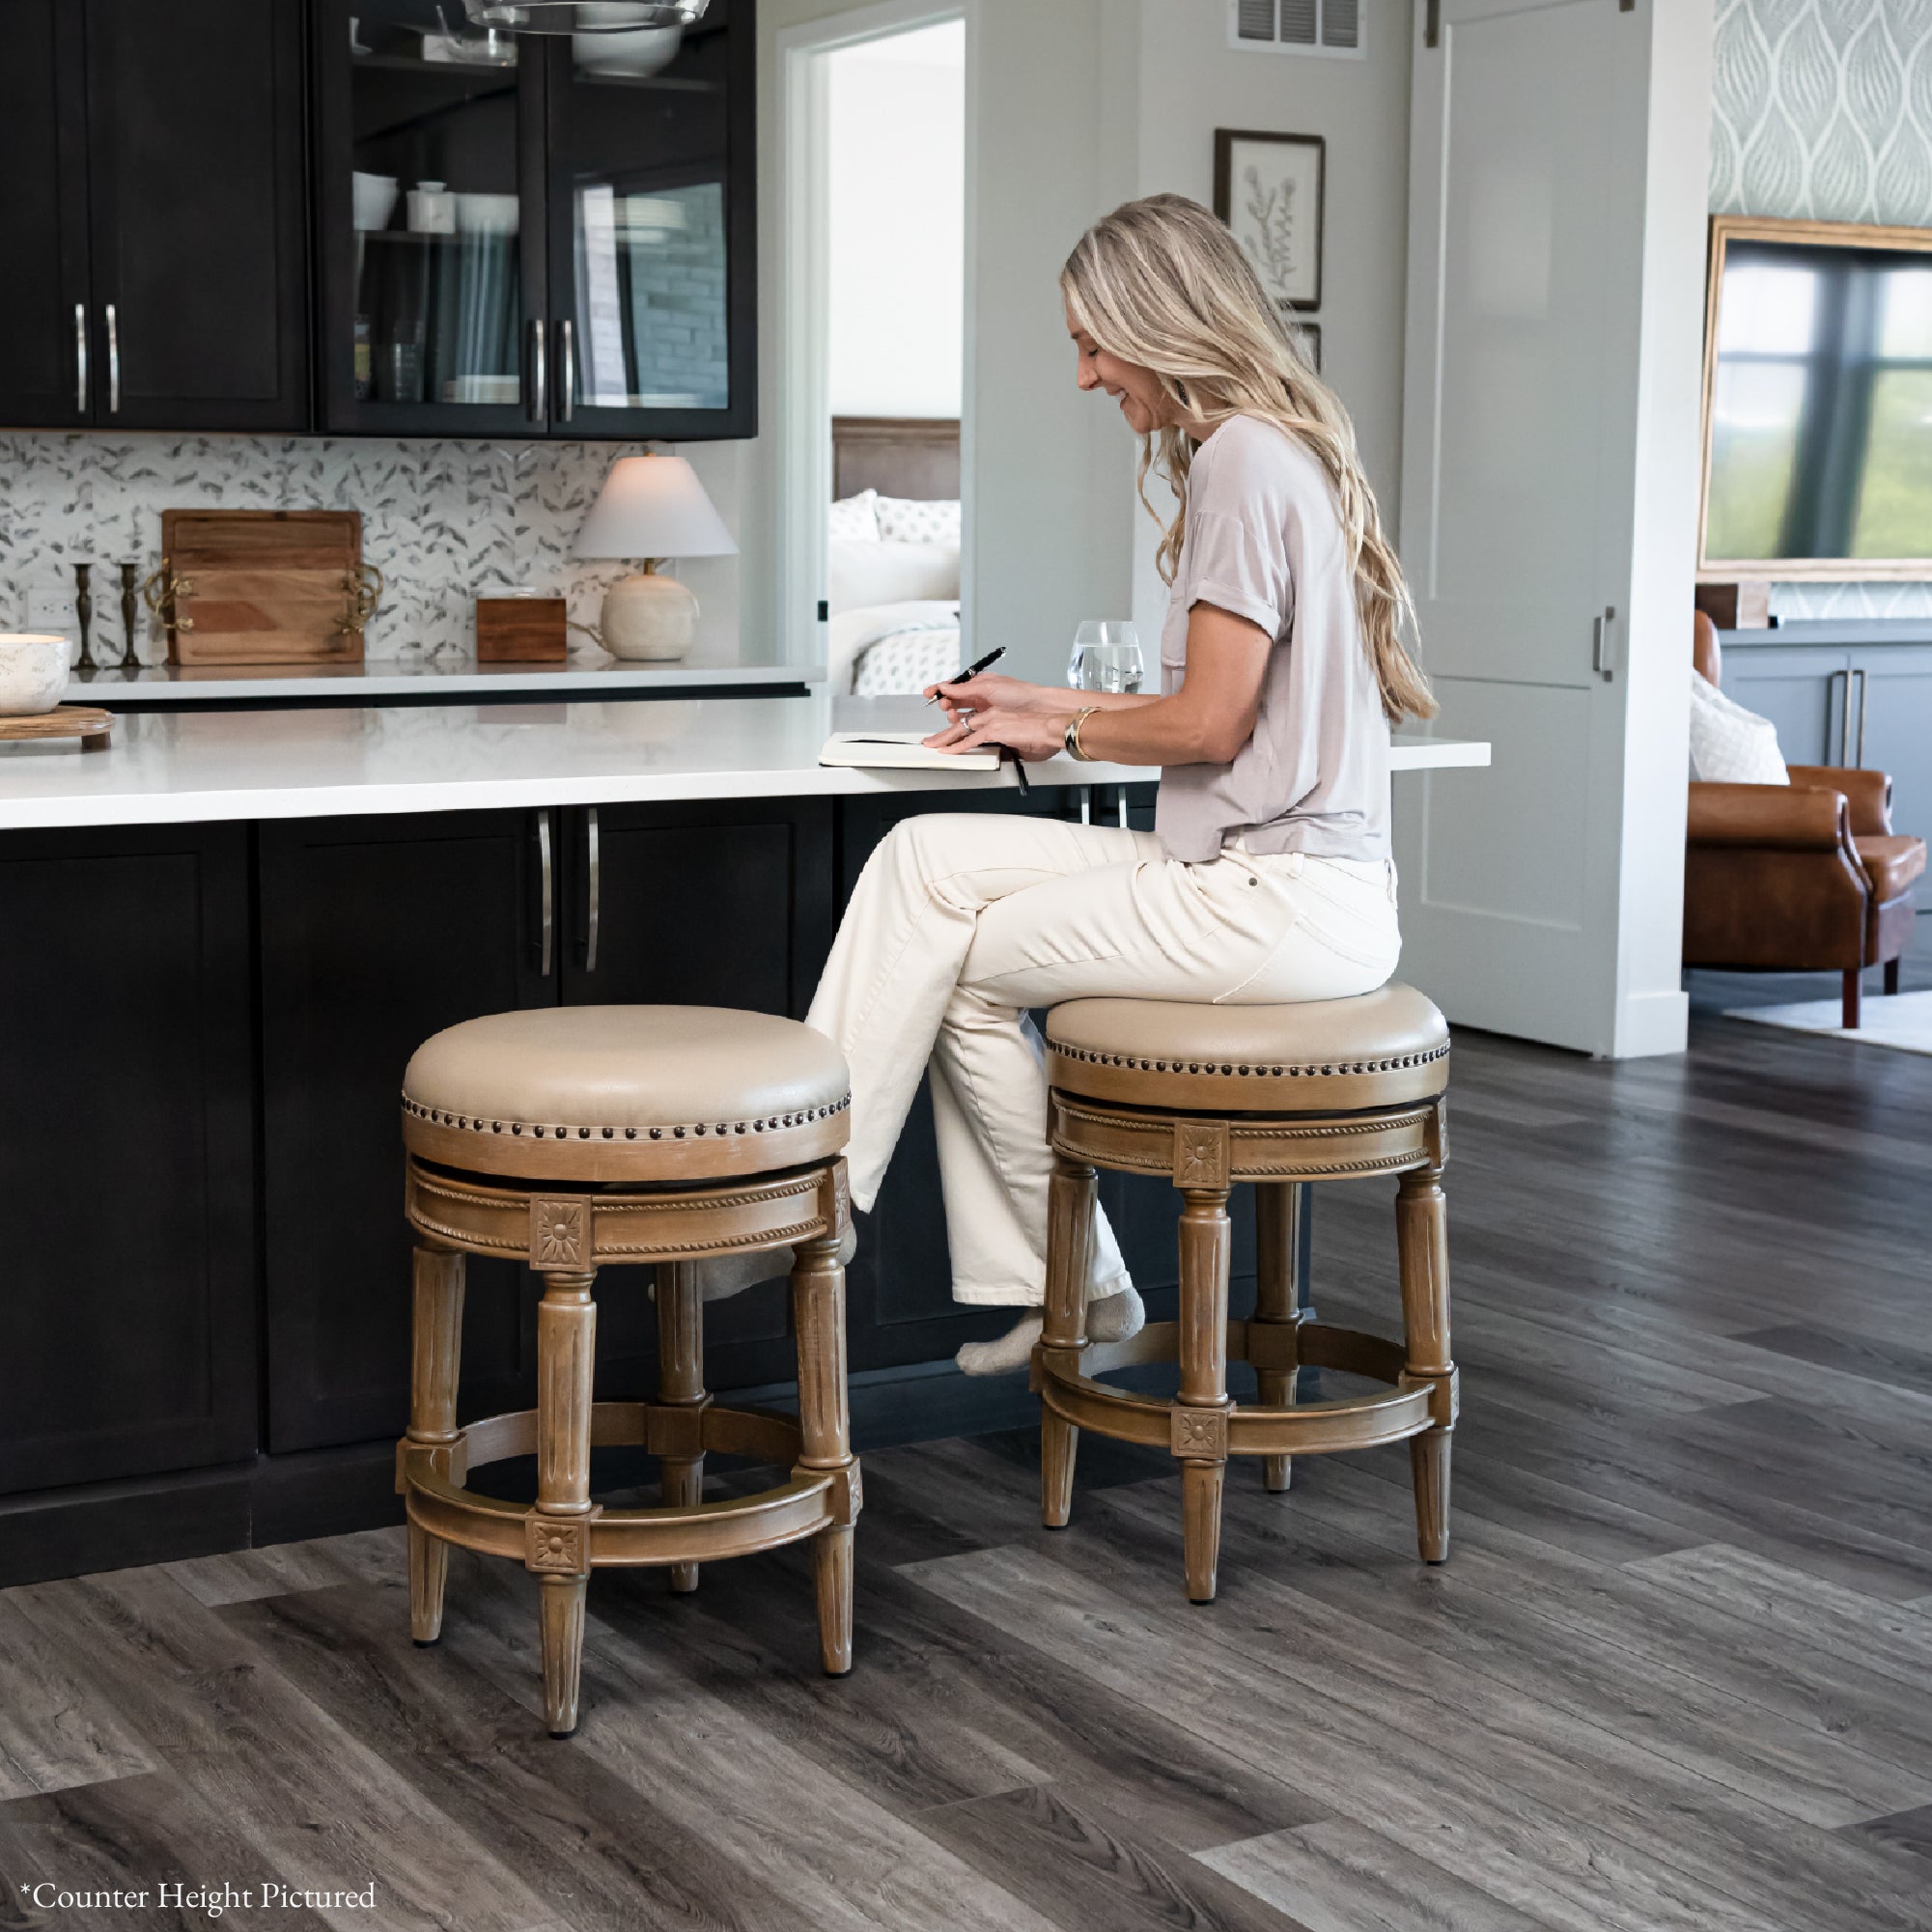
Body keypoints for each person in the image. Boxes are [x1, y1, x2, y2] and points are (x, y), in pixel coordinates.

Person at [714, 191, 1436, 1374]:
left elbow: (1208, 720)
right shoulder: (1262, 451)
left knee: (945, 965)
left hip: (1277, 899)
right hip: (1262, 878)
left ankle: (825, 1208)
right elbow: (1213, 712)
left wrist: (1071, 725)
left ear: (1161, 326)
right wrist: (1042, 711)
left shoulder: (1242, 461)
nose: (1092, 376)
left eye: (1095, 344)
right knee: (922, 860)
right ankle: (869, 1212)